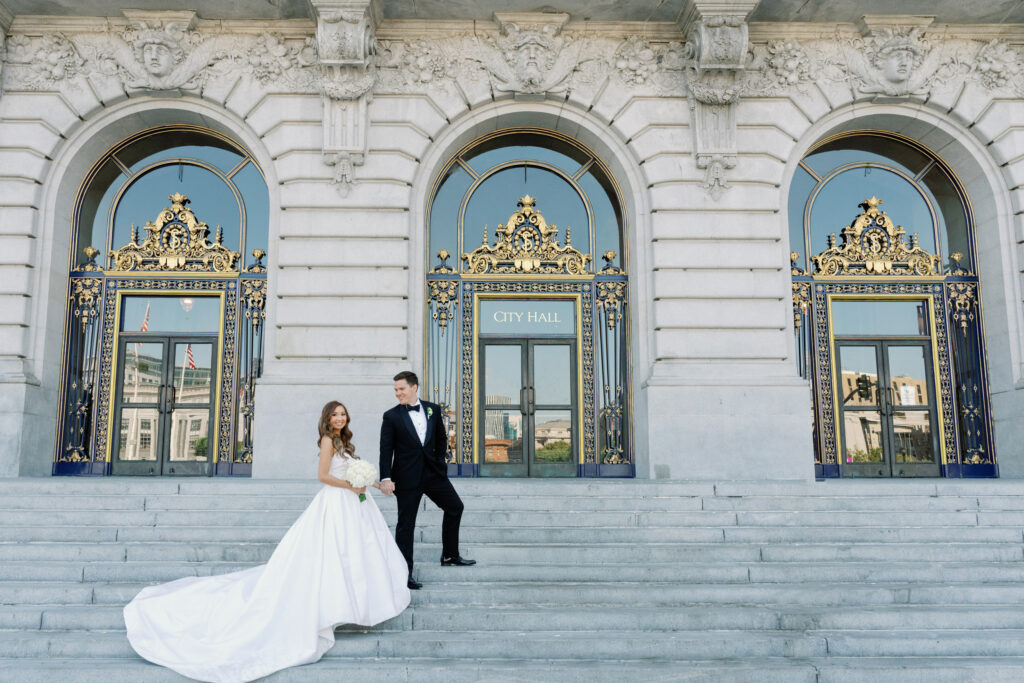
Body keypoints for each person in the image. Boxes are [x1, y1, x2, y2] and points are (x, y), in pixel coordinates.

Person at [123, 400, 410, 683]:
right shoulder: (327, 440)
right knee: (333, 554)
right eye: (335, 414)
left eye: (343, 414)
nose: (339, 418)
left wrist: (377, 484)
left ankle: (352, 602)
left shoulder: (344, 441)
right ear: (327, 418)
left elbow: (353, 472)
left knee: (352, 554)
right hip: (336, 503)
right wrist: (351, 486)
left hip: (354, 503)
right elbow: (323, 476)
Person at [379, 370, 475, 590]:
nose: (397, 393)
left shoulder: (433, 409)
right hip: (406, 477)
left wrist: (440, 462)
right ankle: (404, 574)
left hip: (433, 474)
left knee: (455, 507)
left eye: (401, 389)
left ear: (414, 387)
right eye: (395, 390)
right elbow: (386, 450)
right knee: (406, 525)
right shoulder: (391, 416)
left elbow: (441, 438)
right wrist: (386, 477)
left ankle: (450, 555)